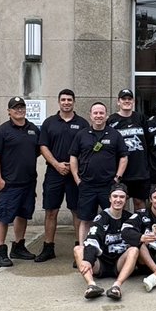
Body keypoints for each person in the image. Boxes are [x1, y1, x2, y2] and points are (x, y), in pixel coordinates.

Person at [0, 96, 40, 267]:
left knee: (23, 214)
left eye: (22, 107)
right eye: (15, 108)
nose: (19, 110)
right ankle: (0, 251)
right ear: (9, 111)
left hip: (28, 182)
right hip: (9, 183)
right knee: (3, 216)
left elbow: (38, 151)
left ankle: (18, 247)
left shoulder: (33, 129)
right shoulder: (2, 131)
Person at [38, 89, 88, 262]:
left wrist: (72, 166)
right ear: (59, 102)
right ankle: (48, 247)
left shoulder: (82, 123)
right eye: (63, 100)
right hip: (54, 172)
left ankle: (79, 250)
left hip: (75, 174)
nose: (66, 102)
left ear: (74, 102)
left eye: (69, 100)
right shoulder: (49, 123)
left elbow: (86, 148)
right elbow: (43, 146)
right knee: (51, 211)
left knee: (77, 211)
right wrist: (57, 164)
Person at [70, 101, 127, 243]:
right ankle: (84, 250)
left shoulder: (115, 135)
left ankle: (111, 249)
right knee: (85, 220)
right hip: (87, 185)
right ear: (90, 115)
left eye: (101, 113)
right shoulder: (81, 135)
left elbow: (124, 157)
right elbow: (73, 157)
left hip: (108, 185)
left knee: (112, 218)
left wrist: (117, 178)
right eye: (95, 113)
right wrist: (78, 180)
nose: (98, 115)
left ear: (106, 115)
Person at [75, 184, 142, 300]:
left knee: (134, 250)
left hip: (119, 263)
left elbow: (140, 237)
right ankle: (91, 286)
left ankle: (116, 287)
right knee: (78, 249)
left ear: (126, 199)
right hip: (100, 263)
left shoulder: (130, 218)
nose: (118, 200)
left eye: (122, 197)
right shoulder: (102, 218)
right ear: (110, 199)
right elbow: (92, 239)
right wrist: (88, 260)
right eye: (115, 196)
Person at [107, 88, 150, 211]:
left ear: (133, 101)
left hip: (140, 171)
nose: (127, 101)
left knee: (139, 203)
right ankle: (121, 229)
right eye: (123, 99)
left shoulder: (141, 118)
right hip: (120, 172)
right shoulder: (111, 120)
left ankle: (139, 228)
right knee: (119, 203)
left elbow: (149, 140)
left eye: (129, 99)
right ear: (118, 102)